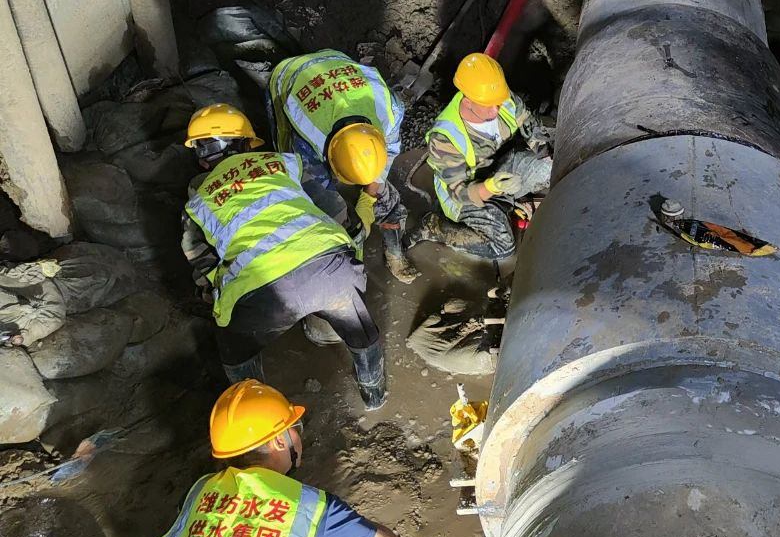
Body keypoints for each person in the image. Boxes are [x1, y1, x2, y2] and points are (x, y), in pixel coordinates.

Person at [180, 104, 387, 410]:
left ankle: (256, 412)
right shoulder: (285, 164)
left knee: (234, 352)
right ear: (248, 144)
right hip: (331, 272)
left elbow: (201, 262)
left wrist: (217, 297)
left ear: (200, 158)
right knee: (360, 330)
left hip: (261, 297)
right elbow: (338, 213)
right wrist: (358, 228)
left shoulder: (198, 202)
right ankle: (375, 395)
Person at [156, 379, 408, 537]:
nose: (299, 435)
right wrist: (353, 525)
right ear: (278, 441)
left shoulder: (199, 489)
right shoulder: (311, 507)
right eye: (294, 428)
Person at [267, 50, 419, 284]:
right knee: (319, 201)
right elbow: (319, 188)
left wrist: (370, 195)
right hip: (289, 78)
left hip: (336, 65)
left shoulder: (391, 111)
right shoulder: (309, 137)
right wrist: (349, 236)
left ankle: (395, 253)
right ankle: (341, 261)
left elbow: (389, 151)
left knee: (386, 198)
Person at [409, 53, 552, 260]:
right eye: (489, 105)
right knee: (502, 247)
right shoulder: (445, 139)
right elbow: (459, 193)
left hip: (500, 165)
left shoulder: (499, 98)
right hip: (464, 194)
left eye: (498, 102)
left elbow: (531, 129)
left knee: (548, 169)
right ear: (467, 102)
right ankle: (435, 228)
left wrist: (545, 155)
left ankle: (505, 201)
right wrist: (491, 187)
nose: (497, 109)